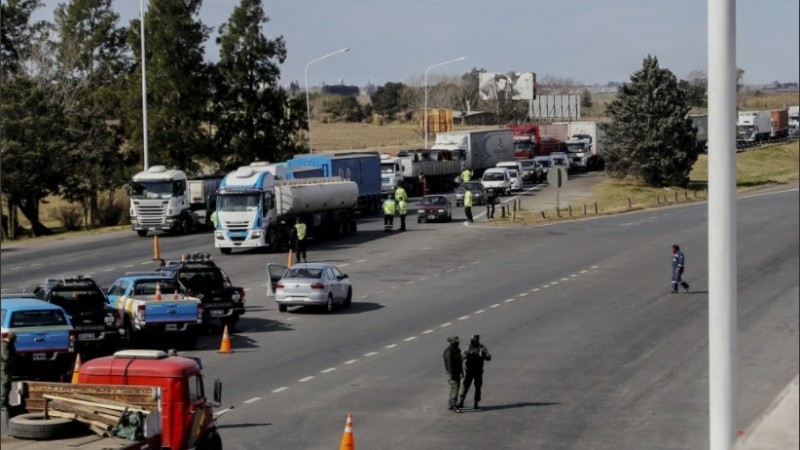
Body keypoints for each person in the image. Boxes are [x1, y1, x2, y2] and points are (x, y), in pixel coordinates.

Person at [458, 334, 492, 410]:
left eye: (474, 340)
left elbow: (489, 357)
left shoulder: (482, 348)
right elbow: (462, 355)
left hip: (478, 370)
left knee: (478, 387)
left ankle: (476, 403)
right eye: (472, 340)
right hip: (469, 370)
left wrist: (483, 356)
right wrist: (467, 355)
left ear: (477, 340)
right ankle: (461, 402)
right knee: (465, 386)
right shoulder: (468, 347)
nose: (473, 341)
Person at [443, 336, 463, 413]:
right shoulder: (449, 351)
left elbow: (460, 362)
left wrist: (461, 371)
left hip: (457, 372)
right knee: (455, 387)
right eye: (456, 342)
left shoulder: (457, 350)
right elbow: (448, 364)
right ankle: (454, 405)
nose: (458, 343)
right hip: (452, 373)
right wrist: (452, 374)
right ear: (452, 342)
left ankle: (450, 404)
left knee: (453, 388)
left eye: (458, 341)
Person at [1, 331, 17, 410]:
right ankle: (2, 403)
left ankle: (6, 402)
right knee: (4, 385)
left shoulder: (8, 345)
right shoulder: (4, 345)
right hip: (4, 368)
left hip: (7, 367)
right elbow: (6, 357)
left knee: (8, 386)